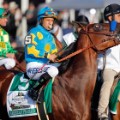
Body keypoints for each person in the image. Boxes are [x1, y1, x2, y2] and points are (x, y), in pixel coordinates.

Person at [25, 7, 59, 100]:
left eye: (52, 20)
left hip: (45, 66)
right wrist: (48, 55)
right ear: (41, 20)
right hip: (33, 66)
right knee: (53, 71)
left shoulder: (51, 37)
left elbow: (54, 52)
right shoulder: (32, 32)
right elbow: (30, 50)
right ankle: (33, 90)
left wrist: (57, 57)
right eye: (48, 20)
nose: (50, 22)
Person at [97, 4, 120, 120]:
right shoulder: (105, 29)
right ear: (110, 18)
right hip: (109, 67)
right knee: (107, 84)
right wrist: (114, 22)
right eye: (118, 15)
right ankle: (102, 113)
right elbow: (112, 30)